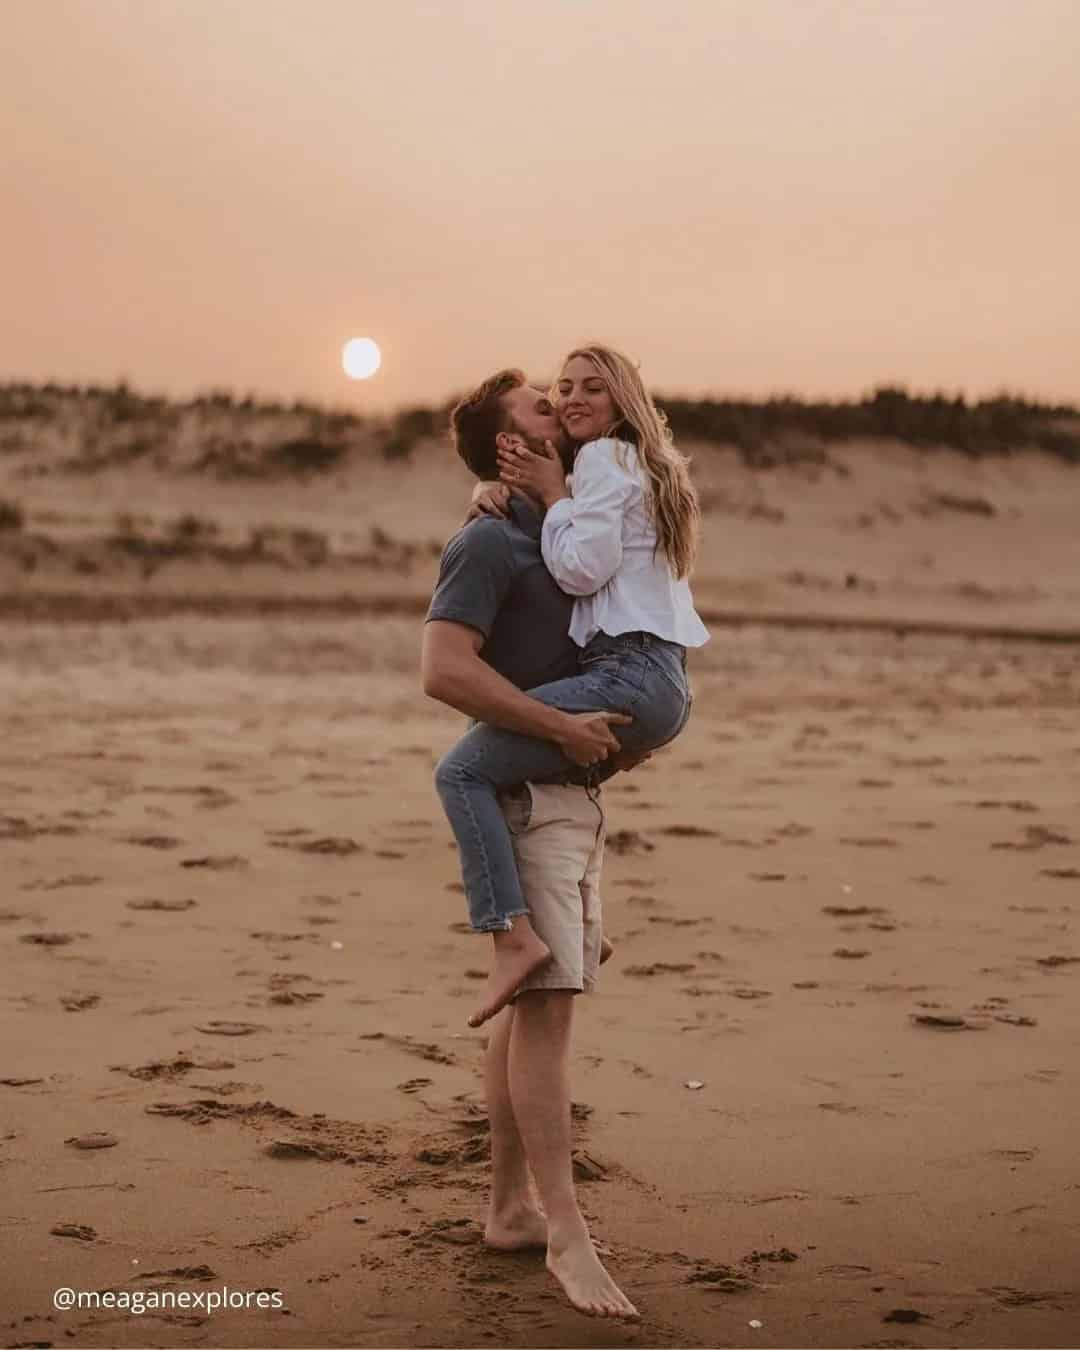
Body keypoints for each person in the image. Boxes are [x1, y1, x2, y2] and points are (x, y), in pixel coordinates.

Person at [421, 370, 643, 1318]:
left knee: (529, 1010)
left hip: (574, 801)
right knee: (548, 1013)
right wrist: (556, 733)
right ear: (509, 444)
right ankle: (565, 1233)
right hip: (530, 798)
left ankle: (509, 1207)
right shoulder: (483, 540)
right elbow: (442, 671)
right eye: (542, 407)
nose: (562, 410)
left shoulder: (557, 518)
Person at [434, 344, 710, 1029]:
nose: (562, 402)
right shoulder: (592, 476)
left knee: (462, 772)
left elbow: (584, 567)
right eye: (551, 395)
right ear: (511, 444)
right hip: (657, 678)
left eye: (585, 390)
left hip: (631, 673)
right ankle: (582, 921)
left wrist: (550, 491)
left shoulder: (596, 465)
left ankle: (511, 935)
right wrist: (491, 489)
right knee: (506, 765)